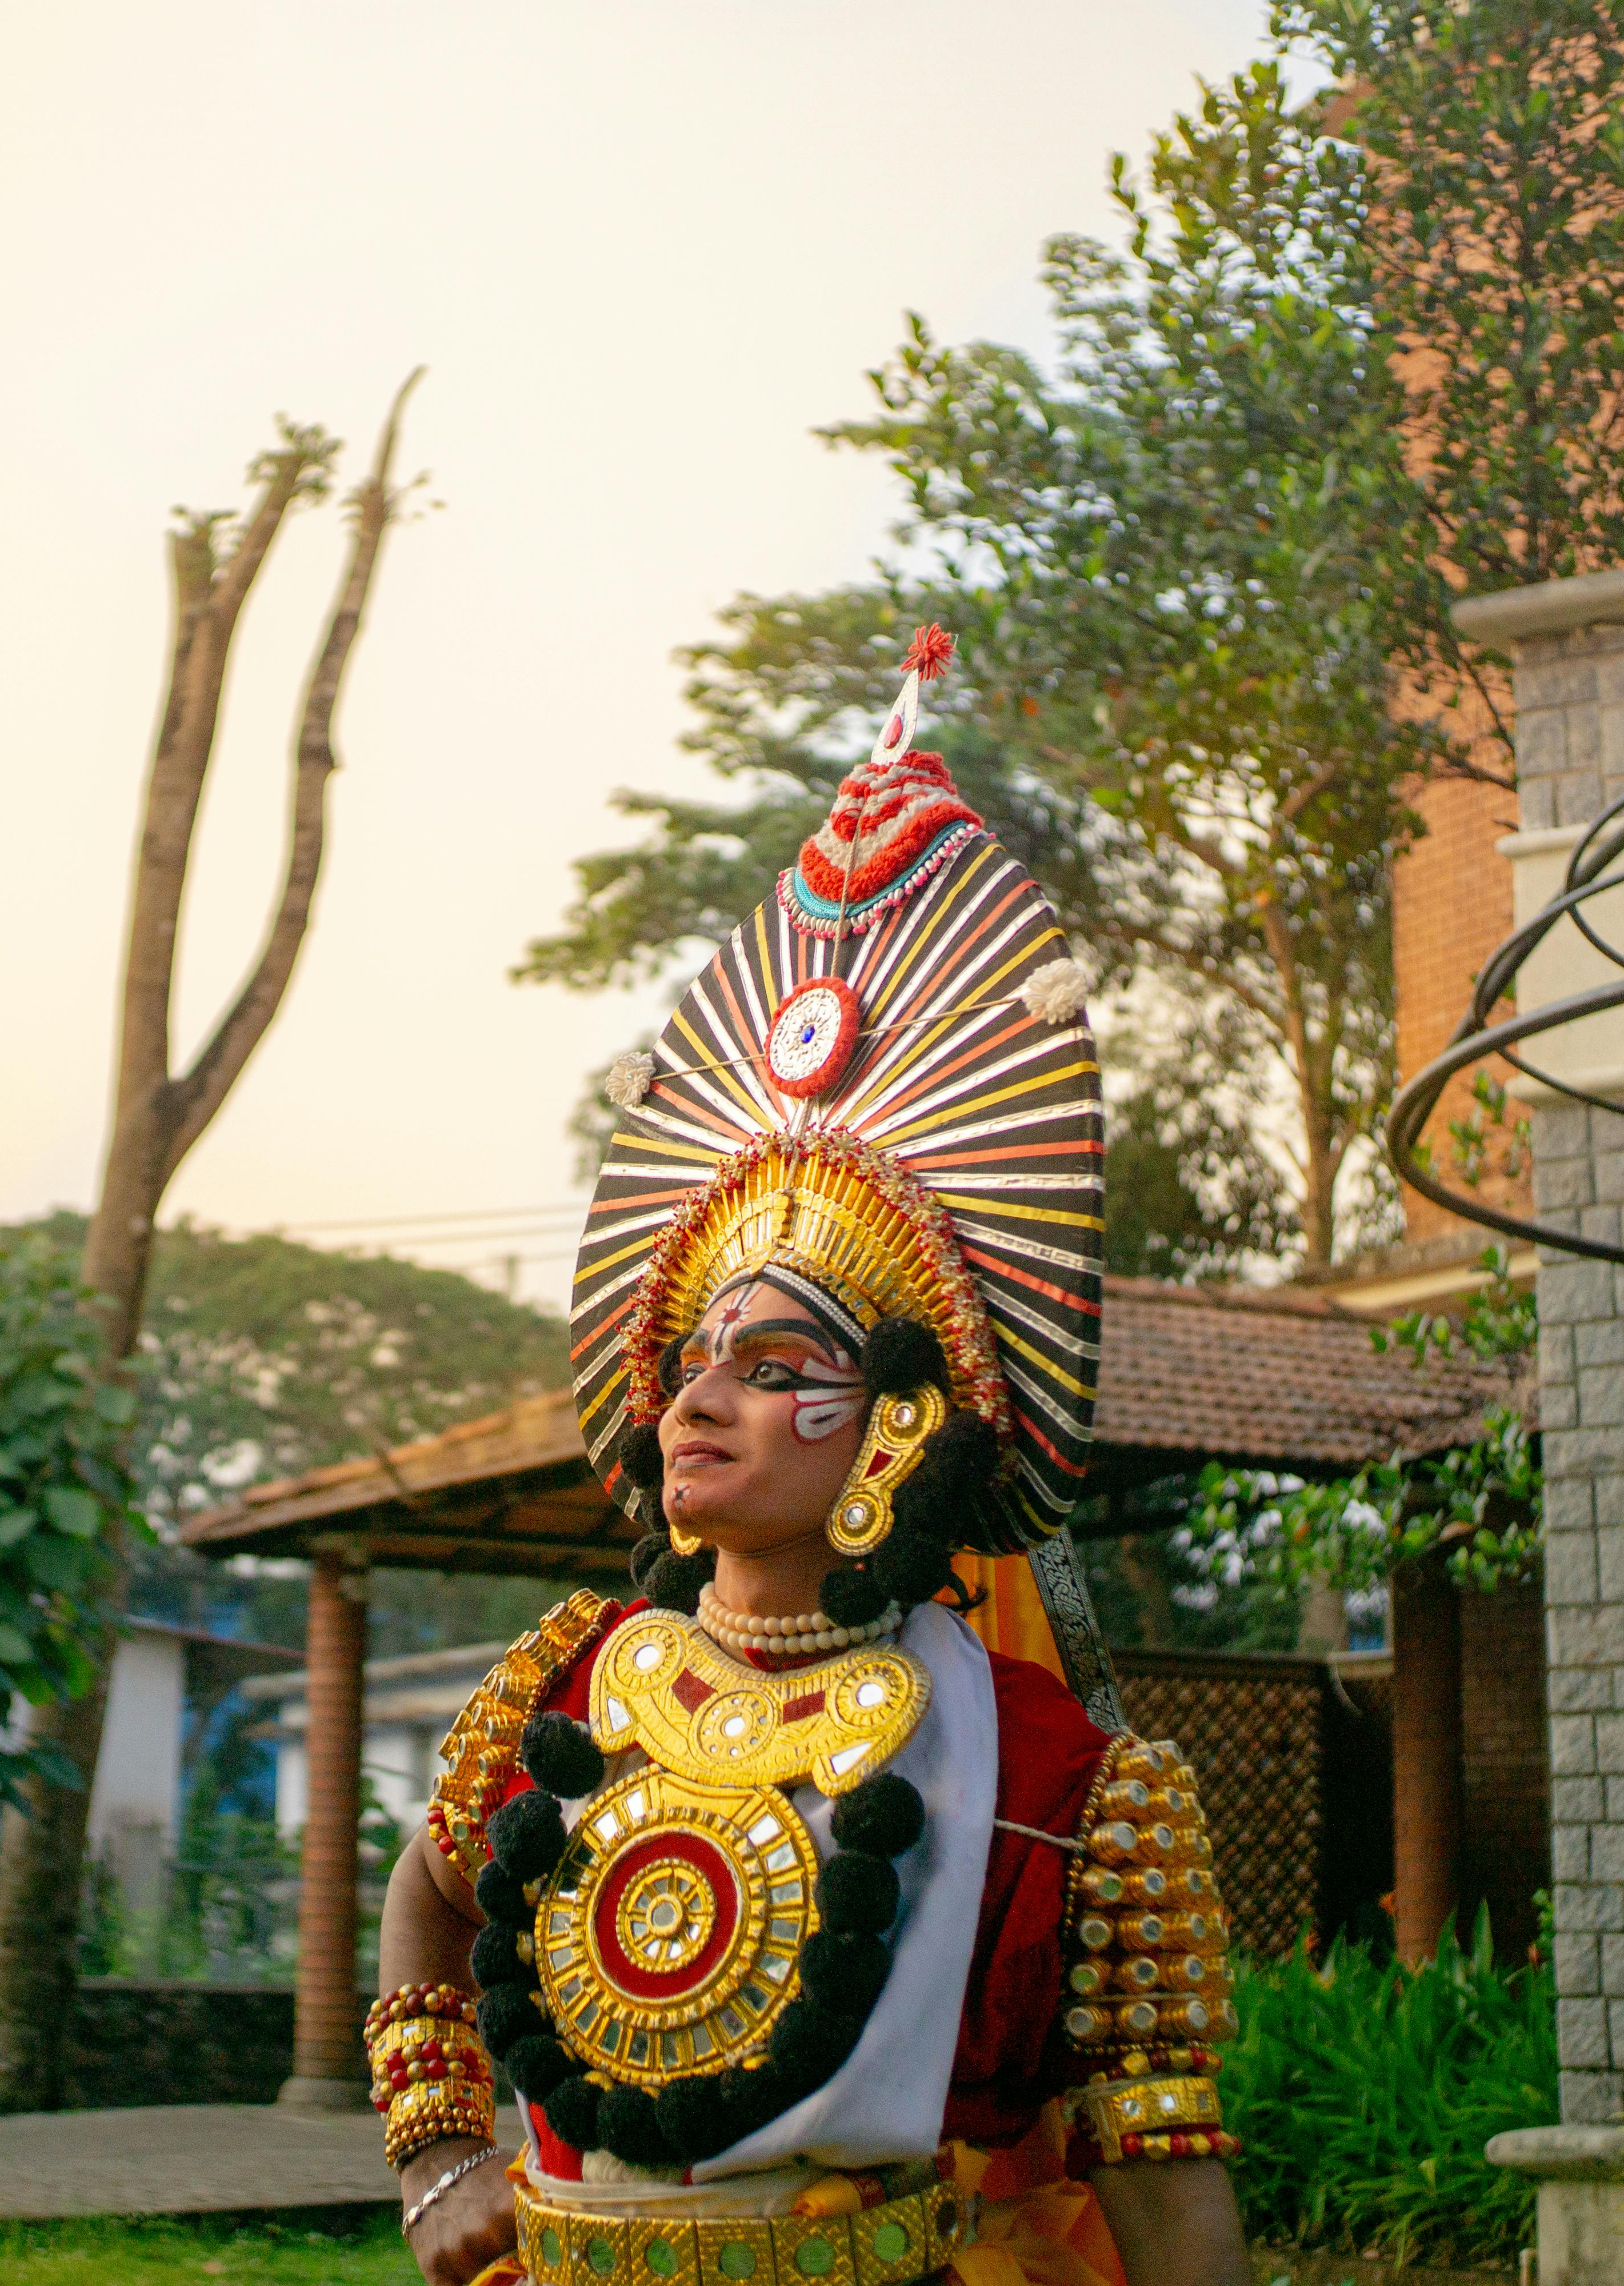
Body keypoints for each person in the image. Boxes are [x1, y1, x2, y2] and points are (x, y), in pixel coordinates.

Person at [367, 628, 1259, 2286]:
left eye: (776, 1370)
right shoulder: (561, 1689)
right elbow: (422, 1894)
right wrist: (438, 2155)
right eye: (692, 1359)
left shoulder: (1074, 1789)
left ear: (897, 1432)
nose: (699, 1400)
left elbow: (1157, 2162)